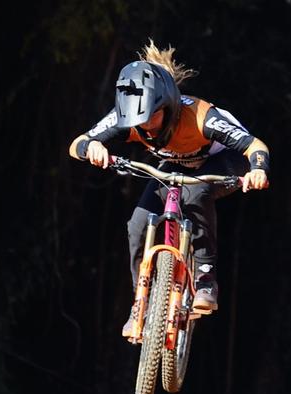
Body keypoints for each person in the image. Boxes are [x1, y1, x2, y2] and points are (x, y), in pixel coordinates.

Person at [67, 40, 270, 331]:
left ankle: (205, 280)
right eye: (138, 122)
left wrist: (258, 170)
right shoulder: (130, 118)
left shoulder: (201, 118)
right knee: (137, 224)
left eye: (152, 116)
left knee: (196, 193)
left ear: (169, 106)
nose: (146, 127)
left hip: (224, 161)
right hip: (175, 165)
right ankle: (142, 300)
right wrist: (93, 148)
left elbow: (254, 145)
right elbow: (79, 142)